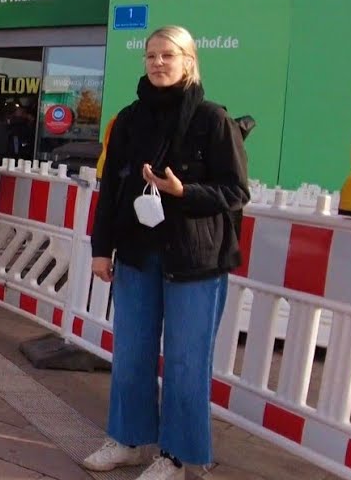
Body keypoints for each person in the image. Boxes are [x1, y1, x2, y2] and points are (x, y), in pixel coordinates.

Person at [81, 26, 248, 480]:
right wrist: (101, 249)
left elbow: (234, 192)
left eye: (167, 55)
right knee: (131, 352)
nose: (157, 63)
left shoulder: (214, 120)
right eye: (151, 55)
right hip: (137, 254)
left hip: (195, 259)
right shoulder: (128, 121)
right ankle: (129, 441)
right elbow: (112, 190)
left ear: (188, 61)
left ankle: (177, 454)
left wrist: (183, 191)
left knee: (185, 360)